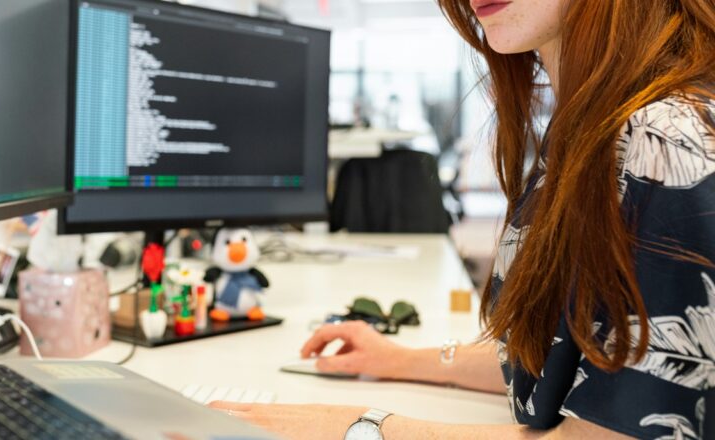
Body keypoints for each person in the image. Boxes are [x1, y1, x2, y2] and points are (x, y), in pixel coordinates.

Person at [210, 0, 715, 438]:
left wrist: (357, 427)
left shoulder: (665, 139)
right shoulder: (593, 127)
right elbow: (571, 359)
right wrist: (397, 361)